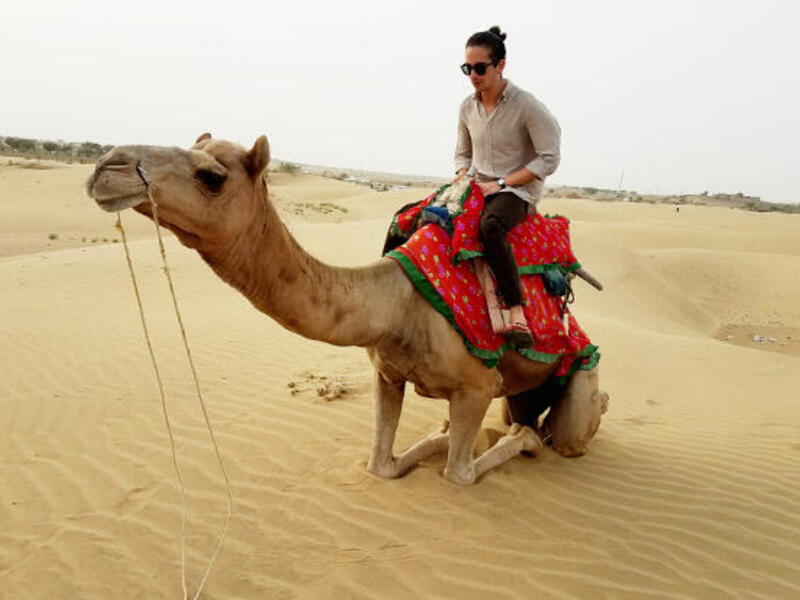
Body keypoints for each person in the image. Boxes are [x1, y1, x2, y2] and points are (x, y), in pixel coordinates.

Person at [453, 26, 561, 348]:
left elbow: (549, 157)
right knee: (422, 217)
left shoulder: (526, 105)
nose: (473, 74)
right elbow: (463, 152)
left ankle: (517, 311)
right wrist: (461, 172)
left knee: (490, 226)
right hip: (476, 183)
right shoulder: (466, 107)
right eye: (467, 68)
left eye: (480, 68)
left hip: (516, 191)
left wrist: (502, 183)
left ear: (500, 65)